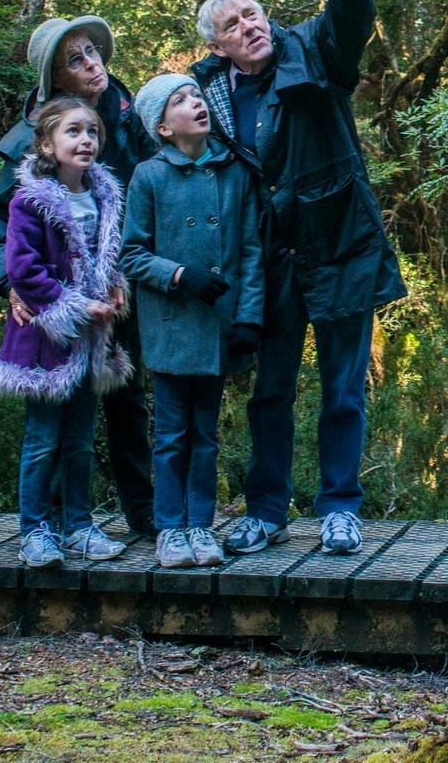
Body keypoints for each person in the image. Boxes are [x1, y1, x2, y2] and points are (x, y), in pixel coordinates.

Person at [193, 0, 406, 557]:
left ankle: (340, 506)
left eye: (252, 13)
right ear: (217, 43)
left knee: (343, 388)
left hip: (339, 242)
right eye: (232, 24)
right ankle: (266, 509)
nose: (248, 26)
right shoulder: (209, 94)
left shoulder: (312, 47)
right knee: (272, 390)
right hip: (269, 259)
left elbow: (350, 24)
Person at [0, 15, 157, 540]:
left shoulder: (131, 119)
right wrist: (12, 288)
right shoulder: (27, 151)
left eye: (94, 52)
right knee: (54, 415)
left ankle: (142, 515)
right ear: (56, 80)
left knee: (128, 400)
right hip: (54, 305)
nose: (93, 64)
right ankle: (47, 524)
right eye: (75, 59)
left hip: (123, 292)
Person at [121, 74, 265, 569]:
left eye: (197, 96)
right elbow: (132, 255)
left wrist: (248, 317)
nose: (195, 105)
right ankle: (169, 529)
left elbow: (250, 251)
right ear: (162, 127)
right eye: (179, 102)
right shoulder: (149, 175)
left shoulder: (236, 172)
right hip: (170, 323)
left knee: (206, 435)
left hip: (219, 327)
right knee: (170, 434)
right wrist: (180, 274)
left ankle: (200, 526)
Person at [0, 96, 135, 567]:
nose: (85, 140)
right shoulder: (30, 200)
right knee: (43, 439)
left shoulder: (105, 195)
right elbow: (22, 268)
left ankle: (79, 526)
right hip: (46, 340)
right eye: (73, 131)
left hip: (92, 341)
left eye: (92, 132)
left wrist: (114, 289)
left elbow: (106, 258)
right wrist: (72, 305)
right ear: (48, 143)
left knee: (79, 439)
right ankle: (36, 530)